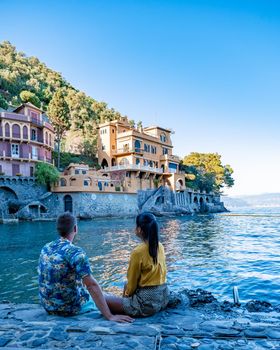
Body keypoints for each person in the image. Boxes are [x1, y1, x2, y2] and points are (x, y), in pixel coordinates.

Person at [38, 212, 133, 323]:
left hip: (48, 306)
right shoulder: (75, 252)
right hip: (69, 308)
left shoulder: (46, 248)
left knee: (98, 293)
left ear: (58, 229)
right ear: (75, 228)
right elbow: (91, 285)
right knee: (113, 300)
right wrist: (110, 316)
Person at [105, 212, 169, 317]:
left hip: (147, 303)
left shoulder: (138, 252)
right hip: (163, 297)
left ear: (139, 229)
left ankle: (128, 308)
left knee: (103, 299)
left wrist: (126, 299)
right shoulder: (160, 246)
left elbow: (132, 282)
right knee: (126, 285)